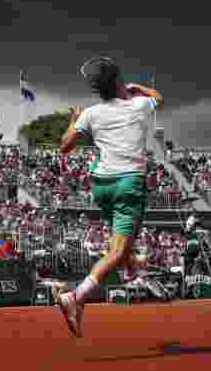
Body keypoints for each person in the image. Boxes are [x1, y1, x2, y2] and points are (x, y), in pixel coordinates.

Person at [53, 57, 163, 337]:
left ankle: (132, 267)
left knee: (122, 243)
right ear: (118, 82)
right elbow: (159, 98)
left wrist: (74, 121)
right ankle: (76, 297)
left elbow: (64, 146)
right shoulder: (139, 105)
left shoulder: (89, 114)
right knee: (117, 250)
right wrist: (139, 88)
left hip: (101, 185)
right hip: (129, 184)